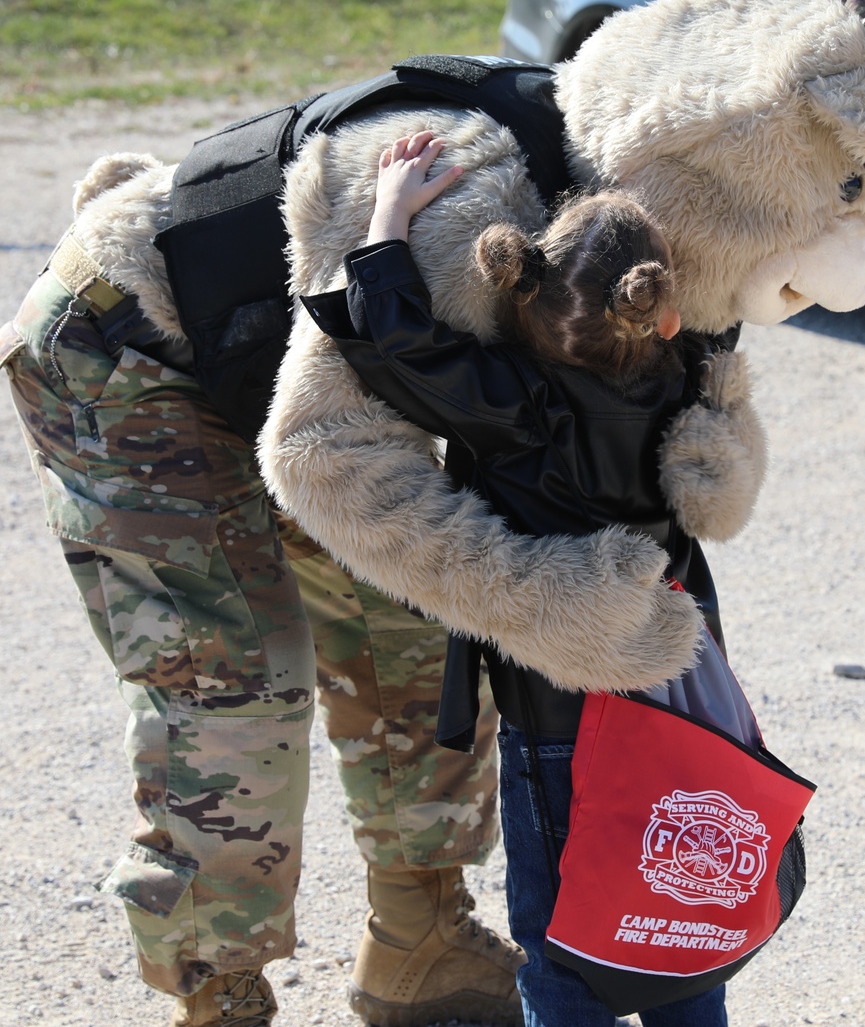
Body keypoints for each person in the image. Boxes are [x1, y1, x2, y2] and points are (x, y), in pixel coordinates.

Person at [0, 179, 524, 1024]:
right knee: (235, 674)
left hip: (287, 356)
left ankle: (420, 938)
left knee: (411, 614)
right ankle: (218, 992)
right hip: (123, 335)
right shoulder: (549, 200)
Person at [303, 131, 729, 1026]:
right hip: (678, 698)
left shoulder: (512, 401)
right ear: (661, 314)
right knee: (681, 922)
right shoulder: (686, 377)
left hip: (555, 711)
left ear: (519, 302)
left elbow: (403, 340)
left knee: (561, 943)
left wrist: (388, 213)